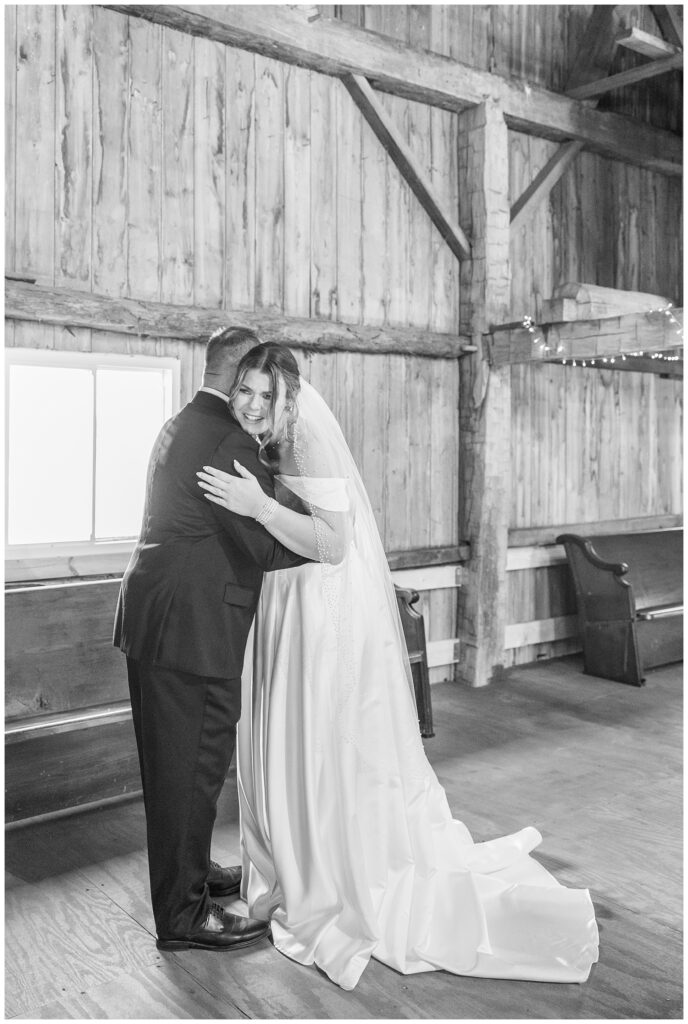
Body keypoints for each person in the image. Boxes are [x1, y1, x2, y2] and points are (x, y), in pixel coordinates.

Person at [197, 342, 600, 990]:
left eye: (263, 395)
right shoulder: (265, 441)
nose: (249, 403)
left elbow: (334, 543)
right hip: (283, 603)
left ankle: (322, 872)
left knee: (318, 744)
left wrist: (260, 508)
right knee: (284, 741)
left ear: (288, 399)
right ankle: (282, 868)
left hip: (317, 610)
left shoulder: (303, 443)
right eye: (243, 389)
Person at [113, 327, 309, 953]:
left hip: (156, 617)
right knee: (191, 771)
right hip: (191, 630)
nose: (255, 399)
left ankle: (189, 881)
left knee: (172, 770)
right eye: (250, 382)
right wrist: (323, 538)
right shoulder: (227, 438)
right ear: (236, 374)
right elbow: (261, 543)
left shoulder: (181, 421)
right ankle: (185, 916)